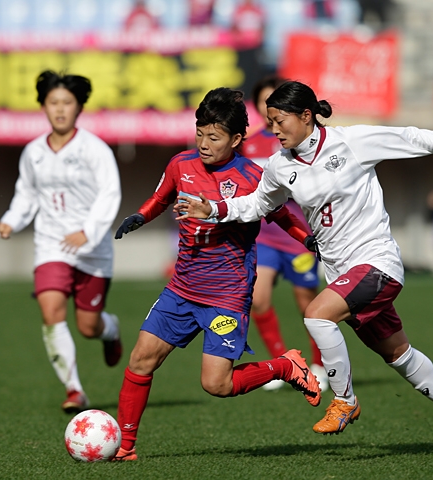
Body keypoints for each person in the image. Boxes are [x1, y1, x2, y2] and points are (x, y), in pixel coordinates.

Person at [176, 80, 433, 457]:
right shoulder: (280, 165)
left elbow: (414, 137)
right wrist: (213, 210)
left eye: (280, 120)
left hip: (377, 262)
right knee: (398, 355)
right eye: (269, 120)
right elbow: (256, 206)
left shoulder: (351, 142)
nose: (274, 129)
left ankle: (345, 400)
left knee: (316, 315)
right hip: (342, 274)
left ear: (306, 116)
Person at [111, 87, 321, 461]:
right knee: (141, 359)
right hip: (182, 288)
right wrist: (140, 216)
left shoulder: (254, 176)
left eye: (214, 136)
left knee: (216, 384)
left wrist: (308, 239)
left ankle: (284, 366)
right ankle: (125, 447)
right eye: (200, 134)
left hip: (226, 294)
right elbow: (161, 197)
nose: (204, 144)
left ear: (236, 138)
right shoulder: (181, 164)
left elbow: (283, 215)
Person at [0, 71, 123, 414]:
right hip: (50, 244)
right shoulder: (33, 152)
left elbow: (110, 193)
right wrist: (12, 219)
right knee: (51, 310)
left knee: (87, 326)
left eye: (67, 102)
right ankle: (74, 388)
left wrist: (89, 230)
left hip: (92, 249)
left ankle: (111, 330)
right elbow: (27, 193)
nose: (60, 109)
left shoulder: (94, 149)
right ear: (43, 106)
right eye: (54, 103)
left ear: (79, 106)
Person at [243, 75, 328, 392]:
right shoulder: (249, 144)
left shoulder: (298, 142)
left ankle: (320, 364)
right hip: (264, 236)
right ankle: (284, 364)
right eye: (267, 104)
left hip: (299, 236)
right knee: (258, 298)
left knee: (308, 303)